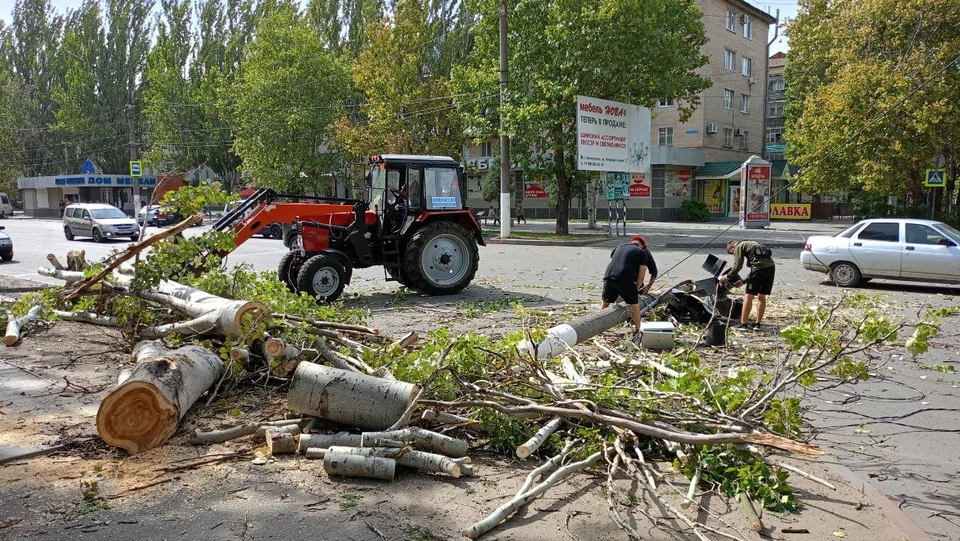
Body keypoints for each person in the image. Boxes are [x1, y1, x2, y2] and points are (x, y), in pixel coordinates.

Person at [720, 240, 775, 329]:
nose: (734, 255)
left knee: (748, 297)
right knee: (762, 296)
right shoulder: (751, 244)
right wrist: (743, 281)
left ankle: (743, 324)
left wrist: (728, 276)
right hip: (771, 268)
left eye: (732, 253)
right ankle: (757, 324)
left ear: (732, 248)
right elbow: (759, 267)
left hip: (759, 270)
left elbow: (737, 266)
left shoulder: (738, 246)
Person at [600, 236, 649, 335]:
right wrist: (636, 289)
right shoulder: (641, 253)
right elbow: (642, 275)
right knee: (634, 305)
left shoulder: (619, 247)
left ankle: (600, 327)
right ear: (642, 246)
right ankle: (637, 330)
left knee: (605, 302)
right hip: (625, 278)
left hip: (609, 276)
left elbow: (611, 263)